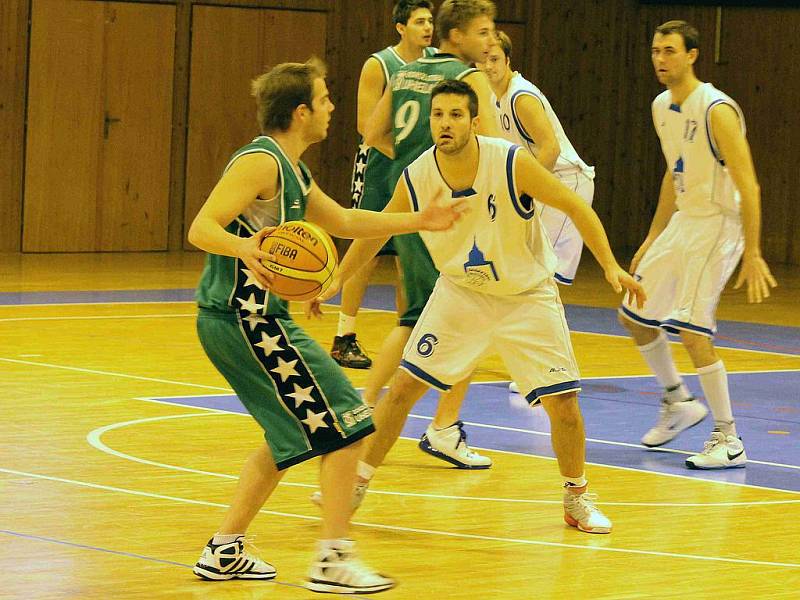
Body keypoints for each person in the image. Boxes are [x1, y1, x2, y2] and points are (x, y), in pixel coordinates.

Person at [316, 79, 646, 533]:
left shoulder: (510, 162)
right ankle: (356, 484)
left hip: (526, 295)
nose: (444, 124)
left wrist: (610, 266)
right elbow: (378, 230)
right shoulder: (417, 174)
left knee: (564, 404)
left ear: (474, 121)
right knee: (405, 388)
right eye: (438, 115)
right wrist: (337, 278)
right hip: (461, 294)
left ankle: (577, 497)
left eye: (455, 115)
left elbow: (575, 206)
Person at [187, 58, 466, 593]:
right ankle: (332, 557)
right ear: (300, 111)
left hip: (252, 319)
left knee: (288, 435)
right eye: (325, 99)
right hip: (243, 318)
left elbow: (340, 221)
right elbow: (202, 225)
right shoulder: (259, 162)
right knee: (350, 420)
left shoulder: (293, 169)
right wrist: (246, 247)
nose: (333, 107)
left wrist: (419, 219)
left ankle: (224, 549)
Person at [618, 21, 777, 469]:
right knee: (634, 313)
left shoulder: (716, 109)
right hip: (686, 220)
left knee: (691, 330)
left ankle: (728, 438)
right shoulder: (660, 106)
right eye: (655, 50)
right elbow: (674, 173)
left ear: (692, 55)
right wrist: (652, 237)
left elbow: (749, 182)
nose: (660, 59)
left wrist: (754, 250)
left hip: (719, 224)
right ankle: (677, 401)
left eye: (669, 51)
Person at [360, 0, 501, 469]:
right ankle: (442, 426)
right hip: (448, 211)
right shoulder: (466, 79)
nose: (490, 41)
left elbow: (372, 131)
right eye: (483, 32)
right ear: (456, 36)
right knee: (469, 315)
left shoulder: (405, 72)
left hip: (411, 204)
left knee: (416, 318)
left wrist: (408, 160)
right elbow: (497, 143)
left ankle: (363, 405)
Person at [480, 30, 597, 395]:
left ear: (508, 61)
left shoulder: (520, 97)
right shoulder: (490, 98)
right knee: (531, 274)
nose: (487, 66)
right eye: (481, 60)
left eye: (494, 59)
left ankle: (554, 367)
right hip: (543, 188)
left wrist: (521, 191)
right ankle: (543, 363)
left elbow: (547, 149)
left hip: (565, 184)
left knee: (544, 277)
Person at [331, 0, 436, 370]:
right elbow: (366, 126)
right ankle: (344, 335)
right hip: (379, 167)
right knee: (368, 249)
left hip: (417, 172)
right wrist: (405, 155)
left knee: (411, 253)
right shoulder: (379, 65)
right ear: (400, 27)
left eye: (430, 21)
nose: (427, 28)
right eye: (420, 21)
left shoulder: (437, 63)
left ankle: (408, 336)